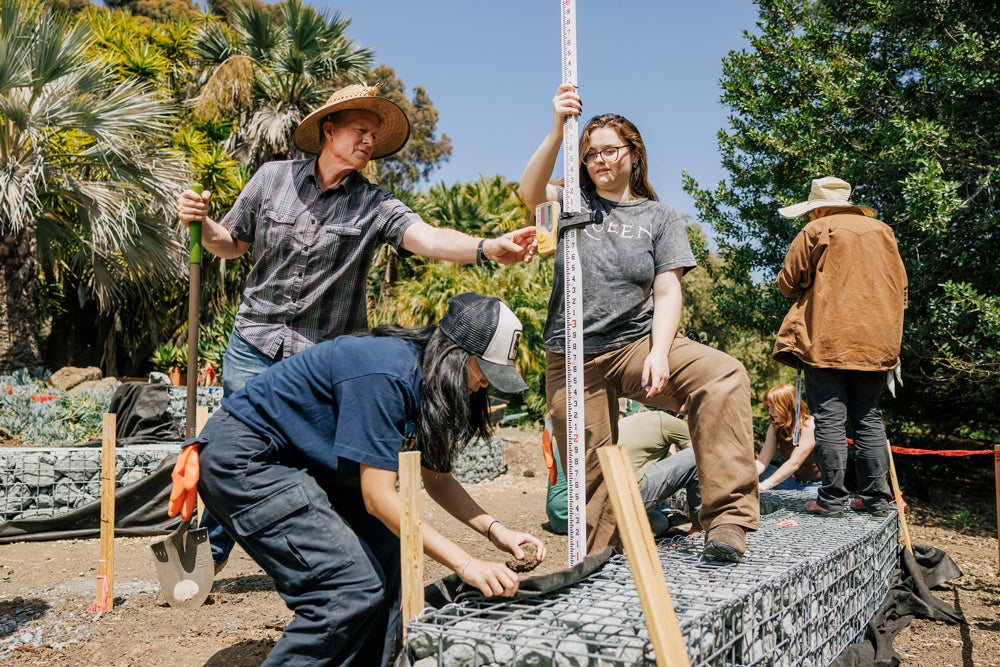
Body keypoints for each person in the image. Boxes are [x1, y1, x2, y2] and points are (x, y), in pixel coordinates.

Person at [176, 83, 537, 567]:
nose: (369, 142)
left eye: (374, 135)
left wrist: (486, 247)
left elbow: (427, 238)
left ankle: (326, 552)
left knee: (323, 463)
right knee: (235, 443)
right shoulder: (271, 179)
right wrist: (204, 224)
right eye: (360, 130)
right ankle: (209, 556)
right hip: (254, 339)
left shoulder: (374, 204)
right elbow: (231, 242)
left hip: (322, 355)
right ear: (329, 130)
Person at [167, 293, 547, 666]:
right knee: (345, 589)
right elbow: (377, 498)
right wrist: (467, 565)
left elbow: (437, 479)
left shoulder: (425, 381)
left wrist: (497, 532)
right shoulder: (388, 373)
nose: (485, 386)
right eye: (484, 372)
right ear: (456, 355)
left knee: (386, 553)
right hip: (248, 457)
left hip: (302, 464)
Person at [519, 83, 759, 562]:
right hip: (572, 355)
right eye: (591, 154)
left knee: (723, 375)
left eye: (611, 150)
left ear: (633, 153)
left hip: (636, 344)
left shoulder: (660, 215)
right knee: (591, 471)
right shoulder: (571, 203)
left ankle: (728, 521)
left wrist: (657, 351)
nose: (600, 161)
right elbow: (529, 192)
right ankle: (598, 557)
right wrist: (556, 130)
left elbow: (669, 289)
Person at [773, 176, 908, 518]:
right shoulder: (884, 232)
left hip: (829, 339)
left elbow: (789, 283)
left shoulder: (818, 229)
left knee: (830, 418)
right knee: (868, 416)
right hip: (877, 343)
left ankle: (831, 500)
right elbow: (901, 289)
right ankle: (875, 498)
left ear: (817, 207)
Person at [545, 409, 701, 536]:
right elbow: (697, 462)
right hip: (593, 513)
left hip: (561, 517)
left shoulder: (621, 424)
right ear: (679, 414)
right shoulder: (669, 421)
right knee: (696, 457)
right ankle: (699, 528)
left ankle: (611, 532)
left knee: (659, 522)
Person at [756, 383, 822, 492]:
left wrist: (764, 485)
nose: (770, 412)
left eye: (774, 407)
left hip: (815, 485)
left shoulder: (809, 425)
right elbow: (762, 461)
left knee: (805, 507)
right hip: (792, 482)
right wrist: (742, 477)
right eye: (768, 407)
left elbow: (794, 463)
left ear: (788, 405)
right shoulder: (775, 426)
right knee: (756, 472)